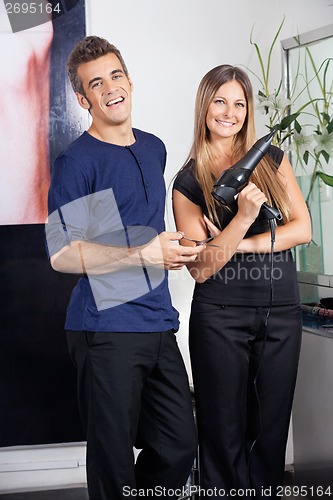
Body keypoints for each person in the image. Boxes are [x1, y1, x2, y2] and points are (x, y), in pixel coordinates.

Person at [46, 36, 204, 500]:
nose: (111, 88)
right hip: (105, 328)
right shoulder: (77, 161)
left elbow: (145, 229)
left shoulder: (153, 148)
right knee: (114, 462)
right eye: (97, 83)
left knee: (178, 446)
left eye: (116, 75)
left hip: (156, 321)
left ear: (129, 81)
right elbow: (62, 254)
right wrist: (144, 255)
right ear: (83, 99)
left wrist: (181, 247)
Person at [172, 65, 311, 498]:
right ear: (204, 106)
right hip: (220, 316)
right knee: (222, 431)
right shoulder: (188, 180)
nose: (229, 113)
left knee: (269, 430)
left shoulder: (271, 161)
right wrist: (246, 220)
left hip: (280, 311)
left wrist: (245, 245)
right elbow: (201, 266)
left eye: (239, 103)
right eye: (220, 101)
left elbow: (302, 229)